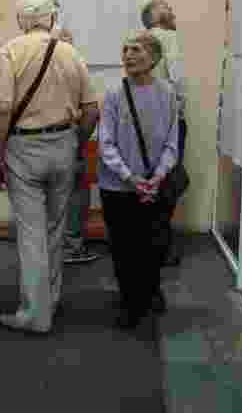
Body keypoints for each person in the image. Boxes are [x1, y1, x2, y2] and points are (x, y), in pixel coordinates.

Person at [0, 0, 99, 334]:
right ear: (50, 17)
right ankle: (49, 298)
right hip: (64, 144)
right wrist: (76, 143)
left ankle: (35, 314)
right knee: (55, 228)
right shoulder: (71, 53)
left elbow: (3, 107)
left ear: (21, 19)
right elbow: (92, 110)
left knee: (31, 232)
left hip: (25, 147)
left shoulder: (10, 51)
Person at [98, 31, 178, 329]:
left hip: (154, 184)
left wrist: (158, 176)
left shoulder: (167, 93)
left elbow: (172, 141)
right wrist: (130, 177)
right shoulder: (113, 94)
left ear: (155, 58)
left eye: (137, 50)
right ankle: (129, 303)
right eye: (126, 50)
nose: (129, 55)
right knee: (124, 248)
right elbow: (106, 143)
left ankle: (151, 289)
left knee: (154, 245)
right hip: (119, 187)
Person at [142, 0, 186, 267]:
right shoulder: (169, 38)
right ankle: (160, 245)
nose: (173, 11)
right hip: (169, 120)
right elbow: (178, 80)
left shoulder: (139, 40)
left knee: (150, 178)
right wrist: (179, 112)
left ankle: (146, 243)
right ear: (156, 17)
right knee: (170, 180)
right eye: (167, 8)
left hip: (145, 122)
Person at [53, 26, 100, 265]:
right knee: (76, 192)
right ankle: (72, 247)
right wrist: (80, 140)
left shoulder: (29, 64)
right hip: (69, 138)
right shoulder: (76, 64)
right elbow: (92, 111)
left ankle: (47, 249)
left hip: (33, 143)